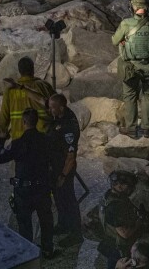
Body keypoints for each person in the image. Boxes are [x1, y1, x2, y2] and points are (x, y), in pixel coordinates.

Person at [0, 108, 57, 259]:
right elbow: (54, 160)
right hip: (42, 188)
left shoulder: (18, 143)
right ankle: (48, 249)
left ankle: (28, 254)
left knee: (24, 224)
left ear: (23, 122)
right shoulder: (46, 140)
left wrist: (1, 139)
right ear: (37, 121)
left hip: (23, 190)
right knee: (46, 220)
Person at [111, 0, 149, 138]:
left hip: (130, 67)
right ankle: (147, 128)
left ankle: (131, 129)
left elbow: (114, 40)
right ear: (148, 7)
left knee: (130, 96)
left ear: (132, 7)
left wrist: (123, 41)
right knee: (147, 95)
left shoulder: (125, 23)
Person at [47, 93, 83, 247]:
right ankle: (63, 224)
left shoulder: (68, 126)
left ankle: (76, 234)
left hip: (64, 169)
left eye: (52, 108)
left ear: (60, 108)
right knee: (59, 198)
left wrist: (63, 175)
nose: (50, 111)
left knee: (69, 200)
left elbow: (70, 156)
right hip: (55, 167)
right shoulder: (60, 116)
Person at [0, 57, 54, 141]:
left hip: (19, 138)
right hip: (42, 136)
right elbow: (57, 105)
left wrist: (3, 131)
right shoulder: (43, 85)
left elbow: (4, 116)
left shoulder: (11, 90)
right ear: (33, 69)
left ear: (19, 71)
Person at [99, 171, 145, 269]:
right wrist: (140, 220)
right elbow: (125, 233)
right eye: (128, 186)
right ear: (119, 186)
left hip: (111, 241)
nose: (131, 189)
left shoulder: (108, 196)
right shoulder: (116, 206)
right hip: (120, 249)